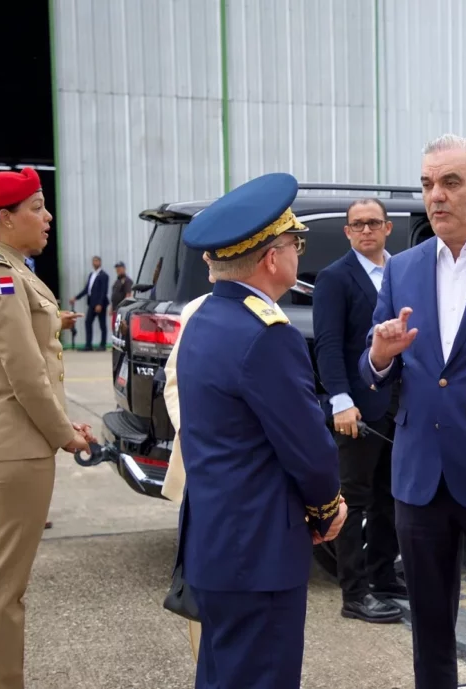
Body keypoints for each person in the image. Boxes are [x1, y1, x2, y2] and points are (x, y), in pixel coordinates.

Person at [359, 134, 466, 689]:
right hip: (420, 475)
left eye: (450, 182)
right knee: (429, 631)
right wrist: (380, 356)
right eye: (428, 184)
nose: (436, 195)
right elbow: (374, 365)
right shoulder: (404, 267)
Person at [175, 171, 347, 689]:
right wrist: (327, 507)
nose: (298, 254)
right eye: (296, 244)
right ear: (273, 258)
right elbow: (309, 448)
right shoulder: (267, 334)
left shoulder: (204, 319)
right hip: (259, 553)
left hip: (216, 543)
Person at [0, 166, 93, 689]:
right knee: (3, 586)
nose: (48, 218)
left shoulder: (11, 269)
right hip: (14, 443)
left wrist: (62, 421)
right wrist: (64, 434)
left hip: (16, 437)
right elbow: (22, 371)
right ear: (5, 217)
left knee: (1, 580)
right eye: (37, 208)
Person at [313, 198, 406, 623]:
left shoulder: (402, 271)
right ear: (347, 232)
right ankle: (354, 594)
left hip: (400, 405)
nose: (365, 230)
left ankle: (384, 577)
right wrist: (340, 400)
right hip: (358, 411)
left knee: (391, 497)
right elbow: (329, 344)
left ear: (387, 228)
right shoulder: (335, 278)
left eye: (373, 223)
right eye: (357, 224)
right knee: (353, 502)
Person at [161, 251, 215, 662]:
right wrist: (193, 431)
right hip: (205, 467)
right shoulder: (199, 309)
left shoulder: (275, 313)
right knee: (202, 586)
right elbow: (173, 380)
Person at [69, 255, 109, 350]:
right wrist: (76, 298)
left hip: (100, 304)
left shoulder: (104, 275)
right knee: (88, 322)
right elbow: (87, 289)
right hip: (91, 303)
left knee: (102, 325)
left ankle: (102, 345)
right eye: (93, 261)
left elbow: (104, 291)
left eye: (96, 261)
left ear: (100, 262)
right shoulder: (92, 275)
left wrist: (100, 304)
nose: (95, 263)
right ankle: (88, 345)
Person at [110, 260, 133, 326]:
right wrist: (111, 307)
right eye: (117, 268)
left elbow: (128, 295)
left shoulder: (127, 280)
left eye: (119, 268)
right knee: (115, 327)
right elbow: (114, 295)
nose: (118, 269)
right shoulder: (117, 281)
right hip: (115, 310)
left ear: (124, 268)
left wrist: (123, 309)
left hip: (121, 311)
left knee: (118, 328)